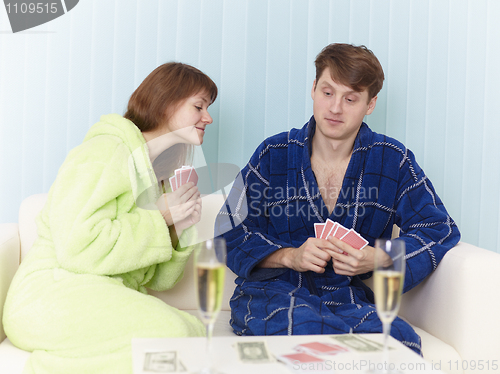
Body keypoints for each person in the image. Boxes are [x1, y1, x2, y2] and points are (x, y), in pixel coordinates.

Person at [216, 43, 460, 355]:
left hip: (348, 299)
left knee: (401, 342)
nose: (335, 108)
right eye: (328, 92)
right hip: (273, 294)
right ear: (314, 88)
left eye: (351, 98)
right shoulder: (272, 153)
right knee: (302, 327)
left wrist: (381, 257)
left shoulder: (393, 159)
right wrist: (290, 256)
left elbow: (438, 229)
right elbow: (228, 231)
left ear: (370, 104)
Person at [3, 62, 217, 373]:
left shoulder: (158, 178)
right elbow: (77, 247)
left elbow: (160, 281)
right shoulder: (105, 149)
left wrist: (177, 230)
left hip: (97, 295)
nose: (208, 117)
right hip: (49, 296)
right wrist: (161, 216)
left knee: (195, 334)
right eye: (199, 106)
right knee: (177, 335)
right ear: (166, 102)